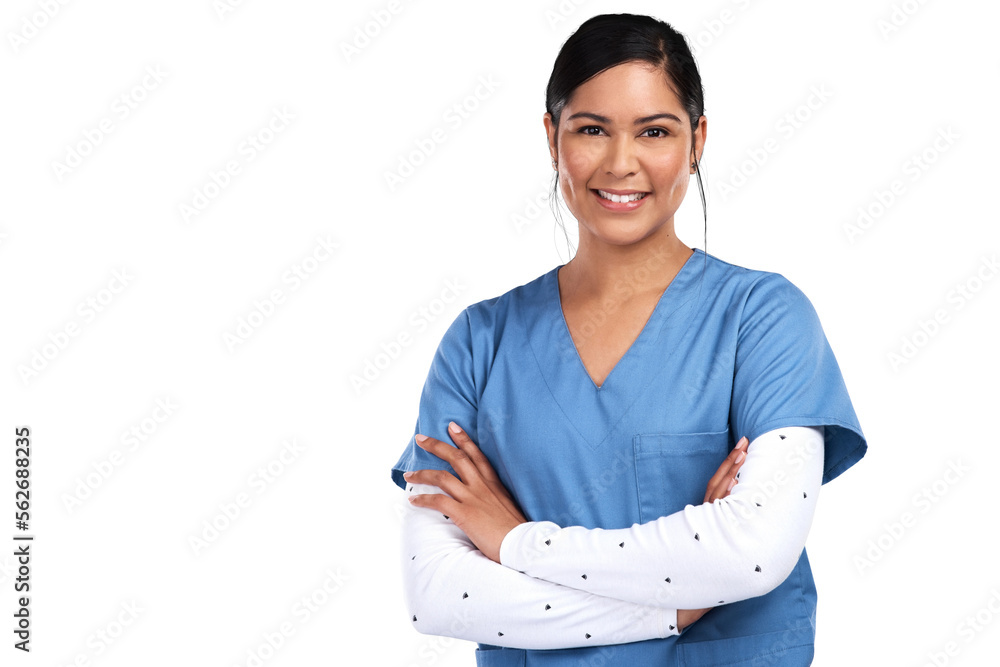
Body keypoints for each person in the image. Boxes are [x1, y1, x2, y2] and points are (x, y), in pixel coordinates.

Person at [389, 13, 867, 666]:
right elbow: (439, 594)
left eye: (654, 131)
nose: (621, 163)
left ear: (697, 141)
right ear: (552, 137)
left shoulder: (764, 319)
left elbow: (753, 551)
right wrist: (680, 599)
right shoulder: (480, 342)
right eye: (591, 129)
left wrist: (515, 542)